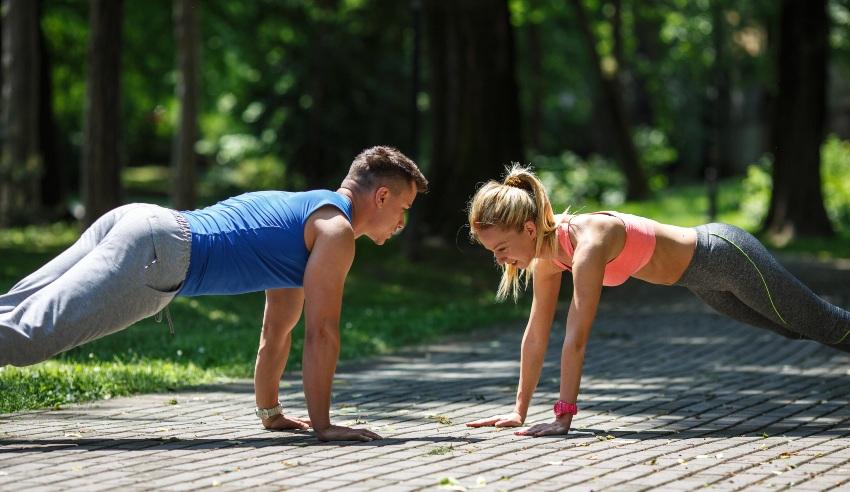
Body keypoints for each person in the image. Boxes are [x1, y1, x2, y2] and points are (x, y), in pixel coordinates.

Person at [0, 145, 427, 442]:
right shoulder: (335, 233)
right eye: (403, 209)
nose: (402, 222)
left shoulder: (309, 216)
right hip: (158, 253)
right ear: (382, 195)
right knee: (26, 336)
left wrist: (271, 413)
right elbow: (323, 335)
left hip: (141, 220)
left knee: (13, 311)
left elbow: (277, 332)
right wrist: (325, 426)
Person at [464, 164, 850, 437]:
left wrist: (564, 415)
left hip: (727, 257)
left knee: (822, 321)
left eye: (501, 248)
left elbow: (576, 337)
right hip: (702, 282)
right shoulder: (547, 257)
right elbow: (536, 334)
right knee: (795, 330)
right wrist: (519, 411)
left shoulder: (588, 240)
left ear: (529, 228)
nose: (499, 260)